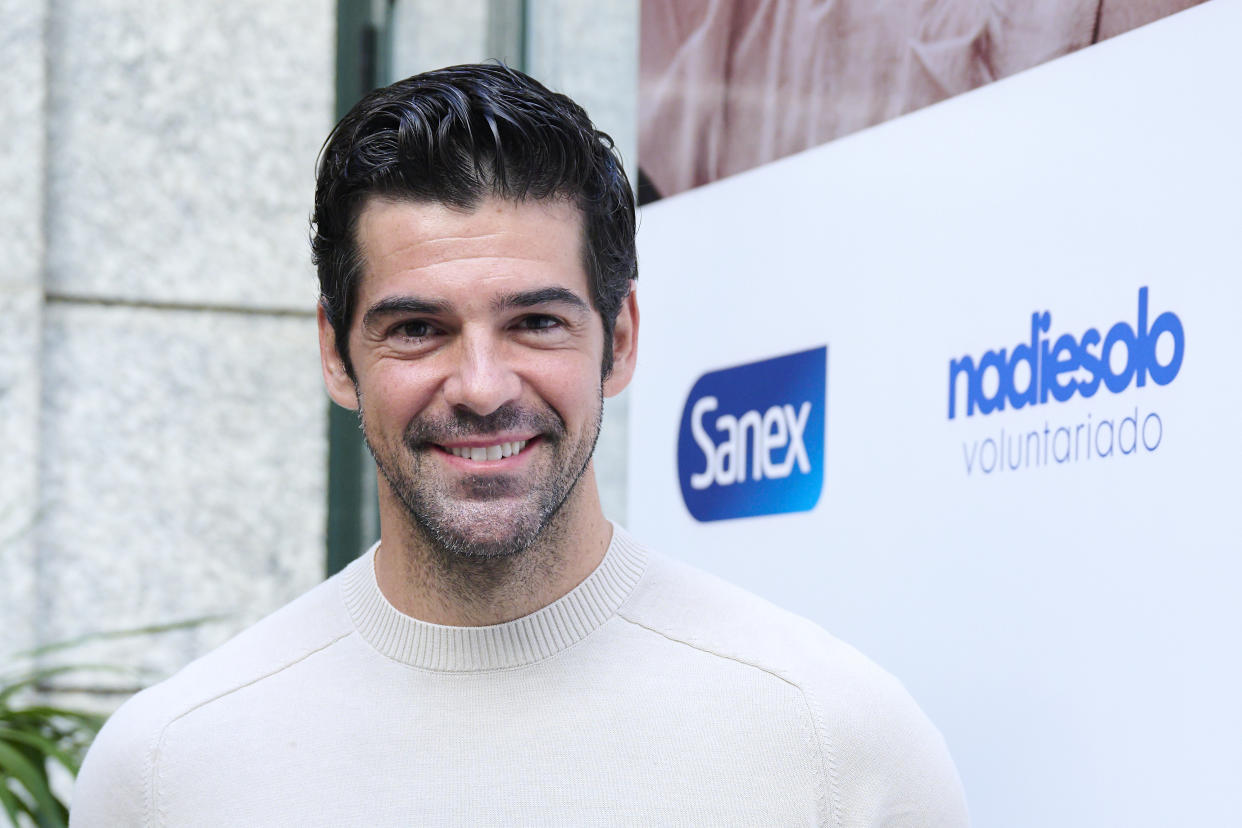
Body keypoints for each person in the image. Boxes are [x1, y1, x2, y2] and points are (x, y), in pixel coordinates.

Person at [71, 64, 968, 826]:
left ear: (618, 340)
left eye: (537, 322)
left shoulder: (833, 741)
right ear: (336, 355)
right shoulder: (167, 772)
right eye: (417, 328)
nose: (483, 387)